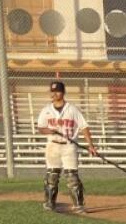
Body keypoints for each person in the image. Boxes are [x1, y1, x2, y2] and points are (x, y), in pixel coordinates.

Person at [35, 80, 96, 212]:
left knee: (72, 176)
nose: (54, 94)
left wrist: (90, 145)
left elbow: (84, 127)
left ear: (63, 92)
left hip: (69, 146)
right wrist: (49, 131)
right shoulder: (46, 110)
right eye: (52, 91)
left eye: (57, 91)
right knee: (52, 175)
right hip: (53, 145)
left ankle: (78, 205)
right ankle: (50, 203)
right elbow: (40, 128)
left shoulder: (72, 109)